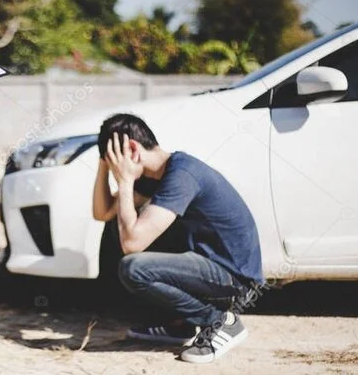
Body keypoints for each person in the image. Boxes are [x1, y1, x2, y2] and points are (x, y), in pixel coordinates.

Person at [92, 113, 263, 364]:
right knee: (118, 224)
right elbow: (102, 212)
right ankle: (180, 325)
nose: (116, 166)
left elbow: (132, 245)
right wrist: (102, 165)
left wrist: (125, 181)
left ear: (131, 149)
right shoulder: (153, 176)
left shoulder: (182, 174)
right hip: (206, 268)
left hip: (233, 276)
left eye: (115, 159)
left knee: (133, 267)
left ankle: (220, 321)